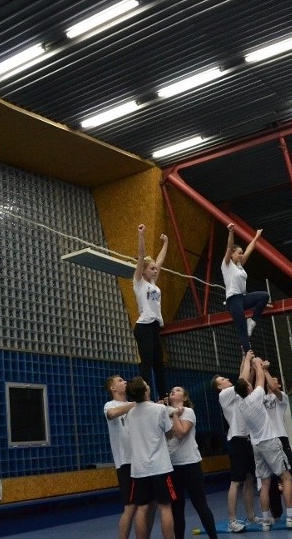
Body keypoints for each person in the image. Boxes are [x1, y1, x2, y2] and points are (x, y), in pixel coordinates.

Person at [234, 355, 292, 530]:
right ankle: (291, 517)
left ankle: (266, 521)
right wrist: (258, 363)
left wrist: (246, 360)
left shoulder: (241, 403)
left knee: (265, 483)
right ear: (249, 388)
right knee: (286, 477)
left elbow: (243, 380)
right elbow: (258, 379)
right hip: (269, 442)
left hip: (256, 445)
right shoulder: (257, 396)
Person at [210, 351, 259, 532]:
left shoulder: (235, 394)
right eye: (222, 379)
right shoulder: (224, 395)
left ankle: (251, 516)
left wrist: (244, 356)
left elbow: (243, 376)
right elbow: (242, 378)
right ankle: (232, 520)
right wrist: (246, 359)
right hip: (237, 441)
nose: (226, 379)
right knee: (236, 481)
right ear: (219, 387)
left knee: (248, 480)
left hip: (247, 440)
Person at [125, 376, 176, 539]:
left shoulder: (130, 414)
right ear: (146, 390)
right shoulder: (159, 410)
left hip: (139, 469)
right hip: (159, 466)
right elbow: (169, 433)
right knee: (165, 507)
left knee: (141, 508)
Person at [261, 365, 292, 522]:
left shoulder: (281, 396)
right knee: (270, 478)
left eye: (274, 381)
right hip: (267, 440)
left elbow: (274, 388)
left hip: (281, 438)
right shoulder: (261, 398)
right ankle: (276, 513)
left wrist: (265, 370)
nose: (271, 382)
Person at [166, 386, 218, 539]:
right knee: (176, 507)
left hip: (190, 464)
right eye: (172, 391)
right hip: (172, 466)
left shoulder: (188, 412)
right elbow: (166, 435)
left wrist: (175, 415)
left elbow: (181, 432)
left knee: (200, 504)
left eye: (177, 390)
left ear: (184, 397)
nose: (173, 392)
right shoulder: (164, 413)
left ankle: (213, 536)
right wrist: (168, 413)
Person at [133, 224, 169, 399]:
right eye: (152, 268)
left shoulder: (153, 284)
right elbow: (141, 256)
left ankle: (163, 397)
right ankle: (141, 396)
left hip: (155, 327)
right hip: (144, 326)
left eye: (156, 269)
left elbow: (160, 260)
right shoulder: (140, 282)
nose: (155, 270)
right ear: (144, 271)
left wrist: (165, 244)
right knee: (146, 364)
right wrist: (141, 235)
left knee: (159, 365)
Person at [221, 223, 268, 353]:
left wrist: (256, 236)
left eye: (242, 254)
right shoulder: (227, 265)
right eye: (239, 253)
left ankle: (252, 322)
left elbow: (249, 249)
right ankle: (249, 355)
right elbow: (230, 246)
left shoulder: (240, 265)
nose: (241, 255)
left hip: (242, 298)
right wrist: (231, 232)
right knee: (243, 332)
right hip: (233, 301)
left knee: (264, 296)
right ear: (232, 255)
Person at [103, 375, 138, 539]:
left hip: (141, 460)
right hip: (126, 462)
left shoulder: (136, 405)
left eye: (125, 380)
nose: (125, 382)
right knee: (130, 507)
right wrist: (136, 404)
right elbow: (112, 414)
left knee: (146, 505)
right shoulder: (110, 405)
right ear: (113, 388)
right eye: (120, 381)